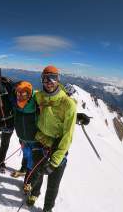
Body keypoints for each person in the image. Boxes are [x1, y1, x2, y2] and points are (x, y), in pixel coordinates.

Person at [26, 65, 76, 212]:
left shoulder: (68, 104)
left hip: (57, 147)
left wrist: (55, 161)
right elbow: (26, 99)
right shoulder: (39, 96)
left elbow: (68, 135)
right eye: (45, 78)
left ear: (58, 79)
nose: (48, 82)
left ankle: (47, 208)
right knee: (38, 174)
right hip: (40, 142)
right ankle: (35, 193)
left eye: (52, 78)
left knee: (53, 184)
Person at [11, 81, 39, 192]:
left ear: (30, 93)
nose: (21, 95)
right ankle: (23, 170)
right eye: (19, 93)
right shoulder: (16, 104)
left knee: (31, 161)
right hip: (22, 137)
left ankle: (27, 182)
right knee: (26, 155)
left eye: (25, 93)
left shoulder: (36, 104)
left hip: (34, 139)